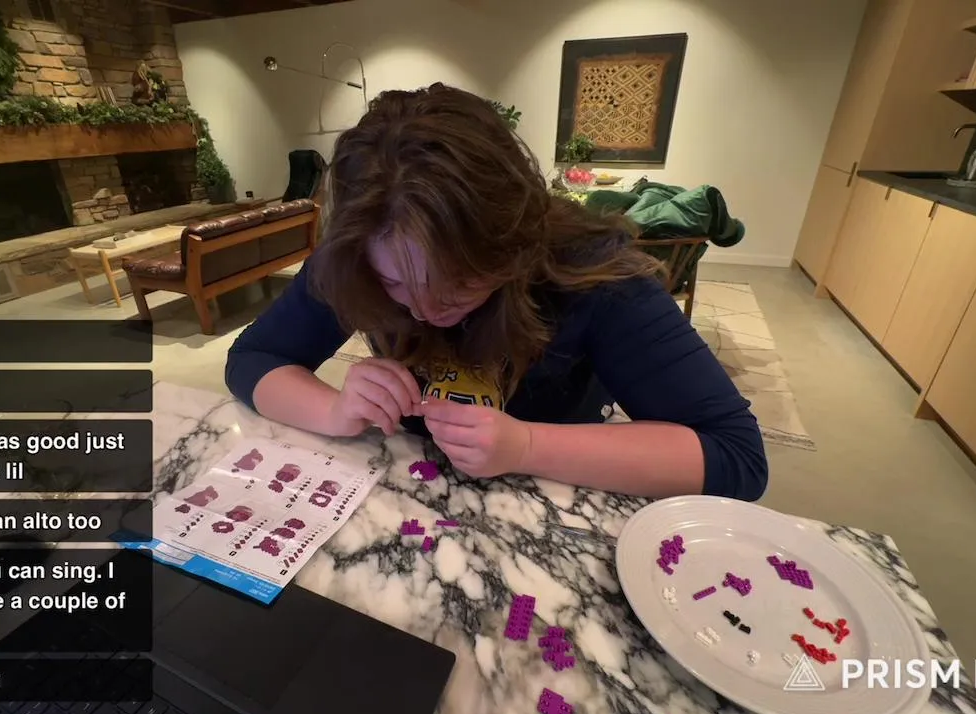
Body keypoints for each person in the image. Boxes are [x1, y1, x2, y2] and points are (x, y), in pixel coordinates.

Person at [226, 83, 767, 501]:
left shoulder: (596, 275)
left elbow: (737, 456)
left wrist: (527, 445)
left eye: (458, 281)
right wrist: (335, 410)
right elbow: (252, 359)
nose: (426, 309)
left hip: (557, 490)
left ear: (513, 242)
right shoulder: (357, 255)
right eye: (394, 284)